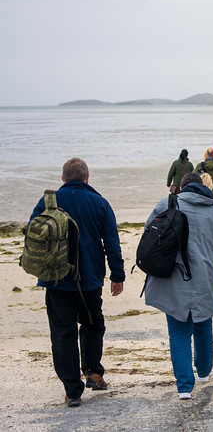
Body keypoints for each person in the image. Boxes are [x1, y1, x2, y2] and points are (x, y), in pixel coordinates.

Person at [28, 157, 125, 408]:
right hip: (89, 280)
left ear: (62, 179)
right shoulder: (99, 203)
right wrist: (117, 276)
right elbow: (112, 244)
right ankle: (92, 372)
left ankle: (72, 391)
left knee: (62, 334)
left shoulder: (47, 202)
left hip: (55, 280)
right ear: (87, 178)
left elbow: (33, 235)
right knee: (93, 325)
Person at [143, 172, 213, 400]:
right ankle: (204, 372)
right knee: (203, 323)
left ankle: (185, 387)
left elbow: (148, 232)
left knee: (178, 331)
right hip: (205, 277)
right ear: (203, 188)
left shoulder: (166, 204)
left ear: (182, 188)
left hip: (171, 276)